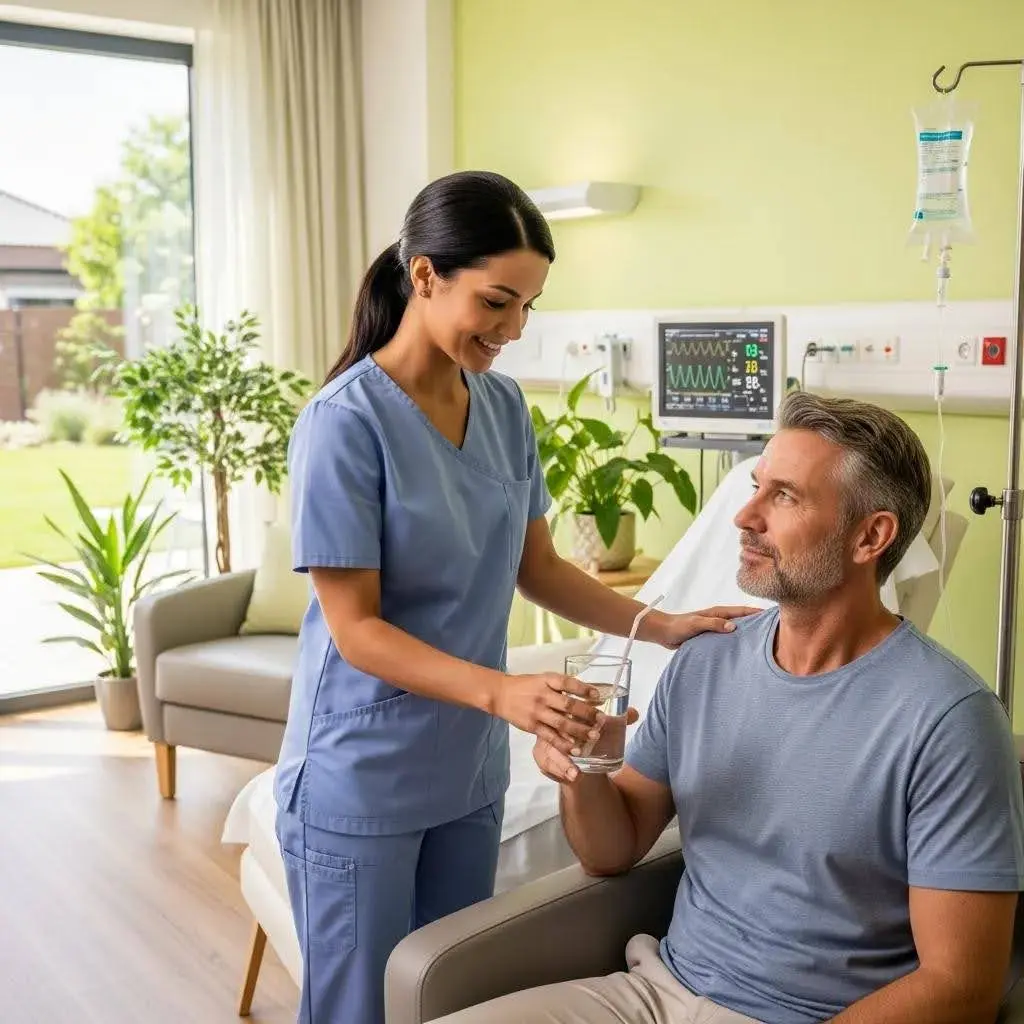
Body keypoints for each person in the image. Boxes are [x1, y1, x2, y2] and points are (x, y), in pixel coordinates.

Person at [273, 169, 757, 1024]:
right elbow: (356, 631)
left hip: (465, 775)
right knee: (356, 1011)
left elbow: (536, 567)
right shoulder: (345, 421)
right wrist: (506, 693)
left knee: (445, 999)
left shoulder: (501, 408)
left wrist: (662, 623)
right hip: (362, 774)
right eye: (497, 303)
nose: (514, 330)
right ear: (425, 276)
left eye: (529, 306)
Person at [435, 391, 1024, 1024]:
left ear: (870, 536)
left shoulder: (948, 718)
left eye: (785, 497)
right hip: (652, 993)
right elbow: (612, 850)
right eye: (756, 487)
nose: (745, 516)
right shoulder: (705, 660)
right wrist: (587, 770)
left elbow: (960, 985)